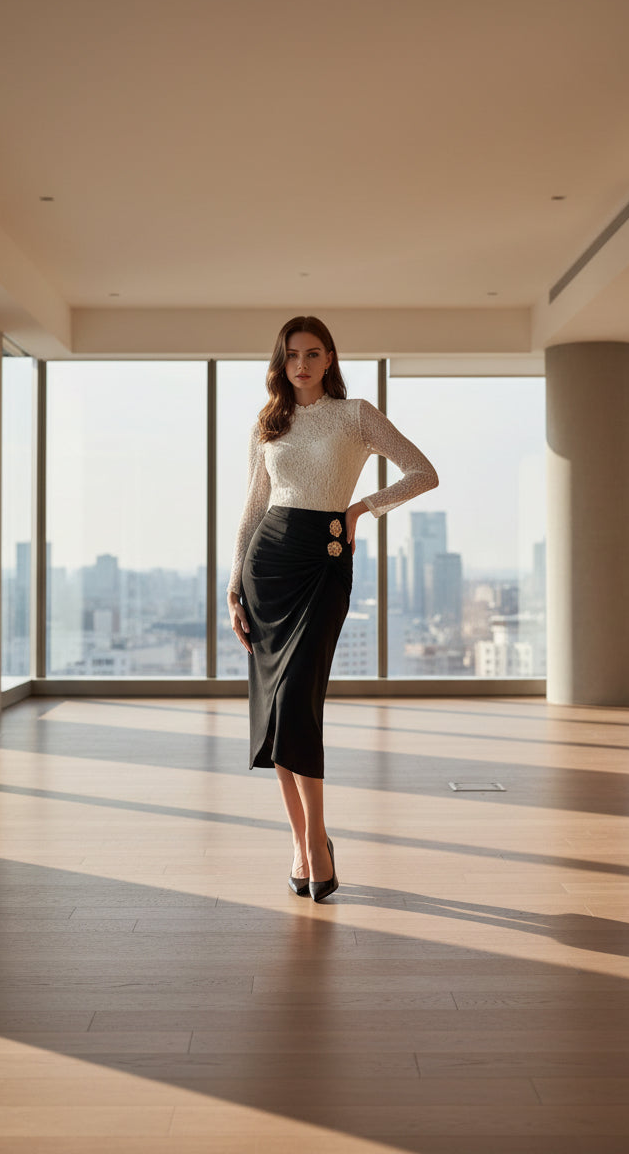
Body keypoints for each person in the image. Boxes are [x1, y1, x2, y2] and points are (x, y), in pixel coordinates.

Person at [226, 317, 438, 902]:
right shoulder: (268, 424)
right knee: (273, 710)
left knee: (299, 701)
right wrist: (234, 582)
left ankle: (316, 840)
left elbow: (425, 473)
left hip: (324, 561)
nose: (302, 364)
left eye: (313, 354)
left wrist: (359, 509)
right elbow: (253, 504)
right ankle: (304, 843)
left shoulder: (356, 415)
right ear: (281, 361)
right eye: (292, 355)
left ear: (329, 359)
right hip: (268, 565)